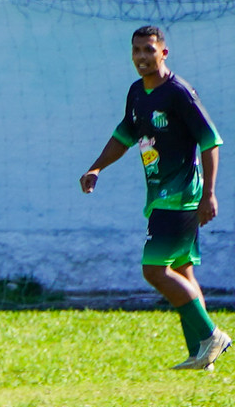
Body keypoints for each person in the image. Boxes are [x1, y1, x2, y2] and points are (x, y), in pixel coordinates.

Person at [80, 25, 227, 370]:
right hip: (160, 194)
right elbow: (124, 135)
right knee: (182, 271)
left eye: (149, 49)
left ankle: (211, 336)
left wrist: (209, 194)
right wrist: (97, 168)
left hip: (178, 195)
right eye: (137, 50)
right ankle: (201, 355)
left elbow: (210, 141)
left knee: (154, 270)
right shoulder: (136, 92)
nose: (142, 56)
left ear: (164, 52)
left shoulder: (179, 93)